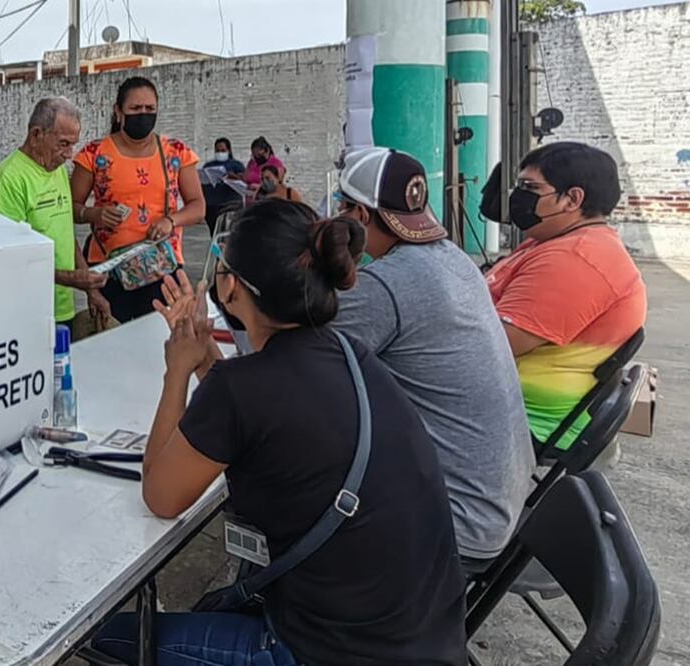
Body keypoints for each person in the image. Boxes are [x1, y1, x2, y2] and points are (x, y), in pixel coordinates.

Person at [92, 200, 467, 665]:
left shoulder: (242, 389)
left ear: (233, 289)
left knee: (108, 636)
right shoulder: (350, 354)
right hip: (422, 635)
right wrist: (206, 355)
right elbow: (253, 419)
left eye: (221, 268)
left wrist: (177, 369)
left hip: (329, 652)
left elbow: (160, 495)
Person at [331, 146, 533, 570]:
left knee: (293, 478)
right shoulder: (453, 259)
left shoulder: (386, 284)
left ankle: (273, 614)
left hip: (457, 526)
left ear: (360, 217)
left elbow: (295, 366)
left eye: (341, 207)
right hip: (499, 500)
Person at [485, 142, 647, 451]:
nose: (517, 197)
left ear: (572, 199)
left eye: (530, 187)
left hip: (519, 418)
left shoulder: (575, 260)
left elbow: (492, 346)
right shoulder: (551, 241)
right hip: (508, 400)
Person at [70, 76, 206, 323]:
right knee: (112, 343)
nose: (143, 115)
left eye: (149, 109)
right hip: (110, 270)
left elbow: (198, 206)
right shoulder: (94, 154)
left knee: (162, 345)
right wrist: (93, 214)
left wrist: (170, 221)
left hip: (161, 268)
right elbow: (70, 207)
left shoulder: (177, 153)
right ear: (118, 111)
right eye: (135, 108)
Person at [0, 98, 111, 333]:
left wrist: (90, 288)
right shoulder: (8, 181)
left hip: (60, 307)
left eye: (73, 145)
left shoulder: (56, 169)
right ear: (36, 135)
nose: (69, 154)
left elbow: (64, 233)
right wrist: (72, 279)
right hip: (24, 314)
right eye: (63, 144)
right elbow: (8, 261)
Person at [201, 137, 246, 232]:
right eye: (217, 150)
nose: (220, 153)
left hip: (230, 204)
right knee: (214, 231)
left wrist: (233, 177)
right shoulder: (208, 166)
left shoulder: (236, 165)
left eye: (223, 150)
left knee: (228, 231)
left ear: (228, 150)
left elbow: (245, 182)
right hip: (211, 205)